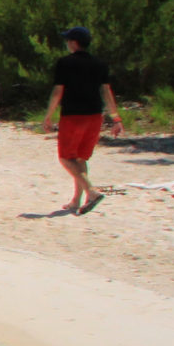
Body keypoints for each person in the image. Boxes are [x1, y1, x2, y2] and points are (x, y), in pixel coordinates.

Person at [43, 25, 123, 214]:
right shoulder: (100, 64)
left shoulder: (65, 63)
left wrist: (48, 115)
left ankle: (92, 191)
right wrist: (116, 118)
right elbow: (106, 91)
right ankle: (77, 200)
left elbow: (57, 91)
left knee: (65, 158)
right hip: (95, 116)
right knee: (80, 158)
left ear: (73, 42)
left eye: (67, 40)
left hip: (73, 115)